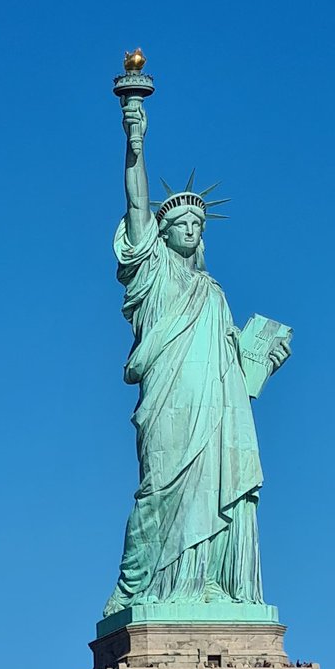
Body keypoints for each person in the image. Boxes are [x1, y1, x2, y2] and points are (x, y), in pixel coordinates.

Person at [103, 95, 290, 616]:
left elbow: (235, 371)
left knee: (211, 487)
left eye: (198, 225)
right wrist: (134, 140)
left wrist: (260, 357)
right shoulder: (154, 276)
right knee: (157, 489)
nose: (191, 229)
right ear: (162, 235)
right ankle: (142, 586)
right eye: (181, 223)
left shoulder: (214, 294)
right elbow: (136, 207)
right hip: (167, 400)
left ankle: (204, 582)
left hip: (214, 413)